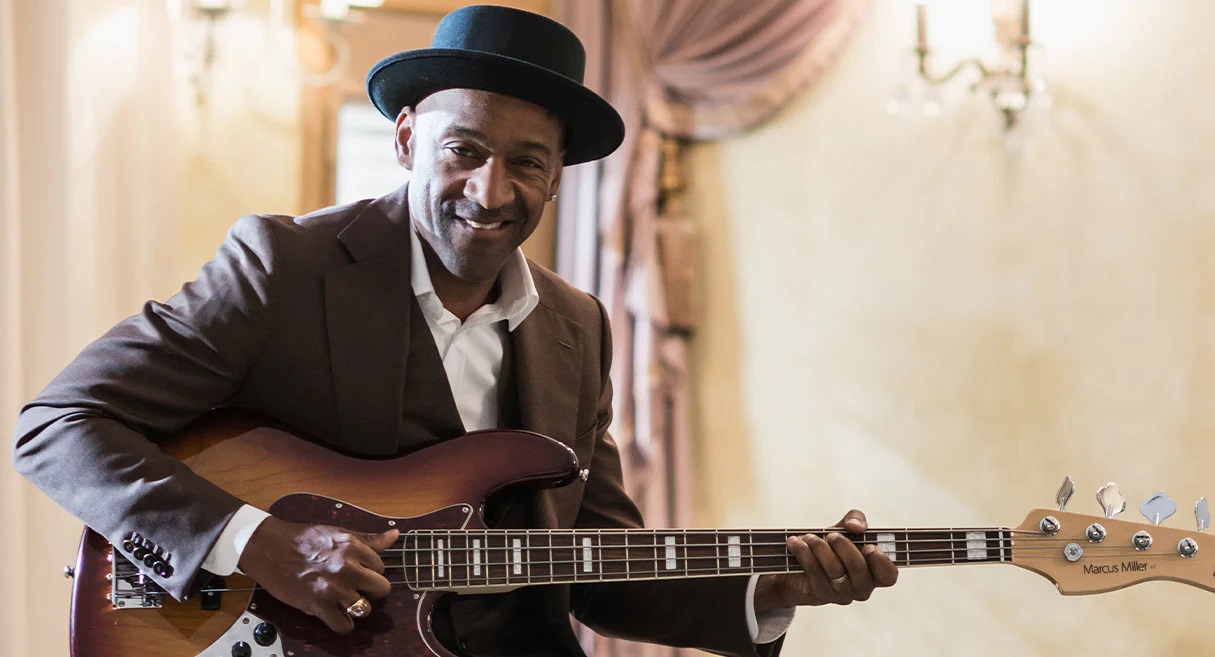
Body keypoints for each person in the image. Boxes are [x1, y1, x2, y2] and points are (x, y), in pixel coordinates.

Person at [12, 5, 896, 656]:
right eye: (463, 150)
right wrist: (257, 542)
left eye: (526, 162)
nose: (490, 190)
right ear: (405, 140)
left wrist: (771, 589)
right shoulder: (282, 266)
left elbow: (598, 565)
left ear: (556, 178)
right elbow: (57, 426)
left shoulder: (578, 327)